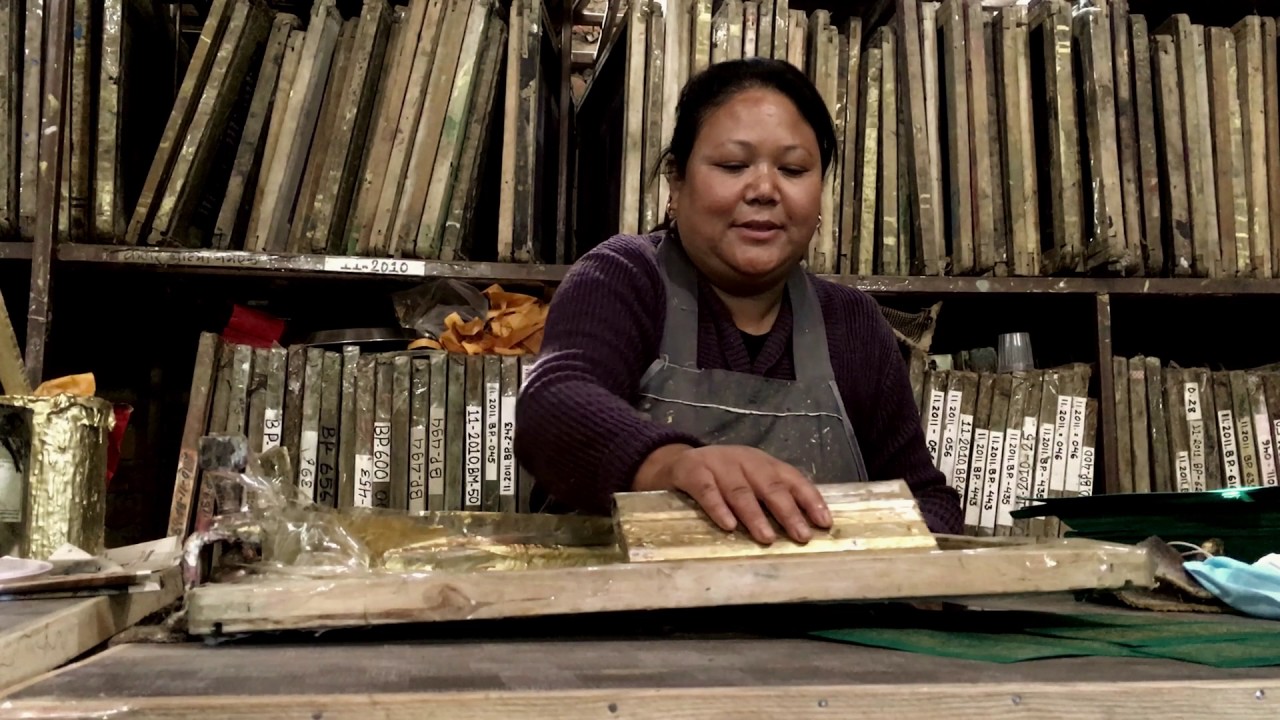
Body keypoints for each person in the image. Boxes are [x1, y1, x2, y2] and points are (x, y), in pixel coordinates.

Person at [514, 58, 962, 543]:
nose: (765, 190)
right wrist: (671, 466)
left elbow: (924, 499)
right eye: (733, 165)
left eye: (793, 169)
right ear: (676, 182)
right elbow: (552, 404)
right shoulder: (625, 276)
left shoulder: (852, 322)